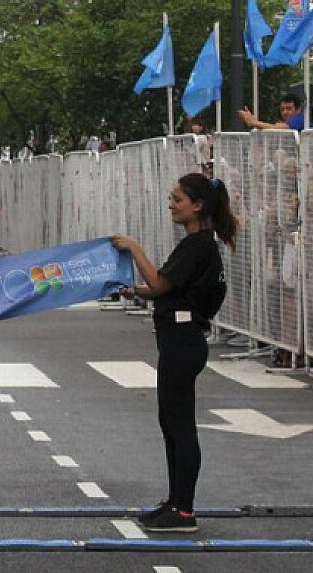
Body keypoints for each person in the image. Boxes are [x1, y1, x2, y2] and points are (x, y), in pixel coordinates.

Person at [111, 173, 237, 534]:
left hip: (183, 341)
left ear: (197, 206)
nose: (171, 206)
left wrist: (134, 248)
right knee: (170, 422)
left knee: (180, 425)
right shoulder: (196, 244)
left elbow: (160, 282)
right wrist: (134, 291)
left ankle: (184, 510)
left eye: (177, 200)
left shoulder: (198, 245)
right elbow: (163, 290)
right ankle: (174, 501)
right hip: (177, 340)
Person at [237, 94, 313, 131]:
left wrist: (253, 122)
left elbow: (276, 128)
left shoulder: (302, 119)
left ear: (298, 109)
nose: (285, 112)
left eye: (289, 108)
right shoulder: (289, 122)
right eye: (282, 109)